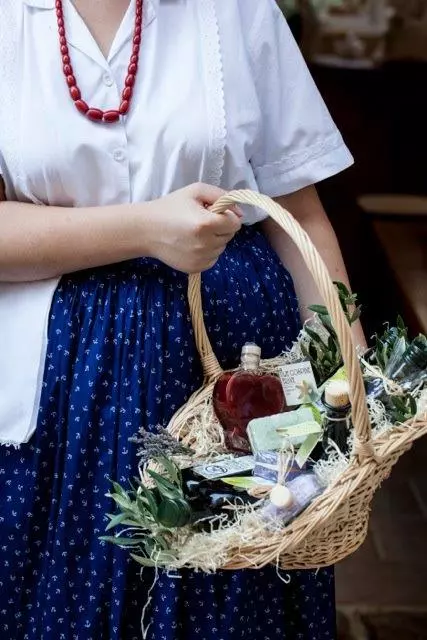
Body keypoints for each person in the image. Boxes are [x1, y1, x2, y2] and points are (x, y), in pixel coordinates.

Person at [0, 1, 362, 638]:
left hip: (232, 368)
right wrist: (144, 229)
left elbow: (299, 213)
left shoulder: (237, 10)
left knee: (239, 581)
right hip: (63, 385)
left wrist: (354, 377)